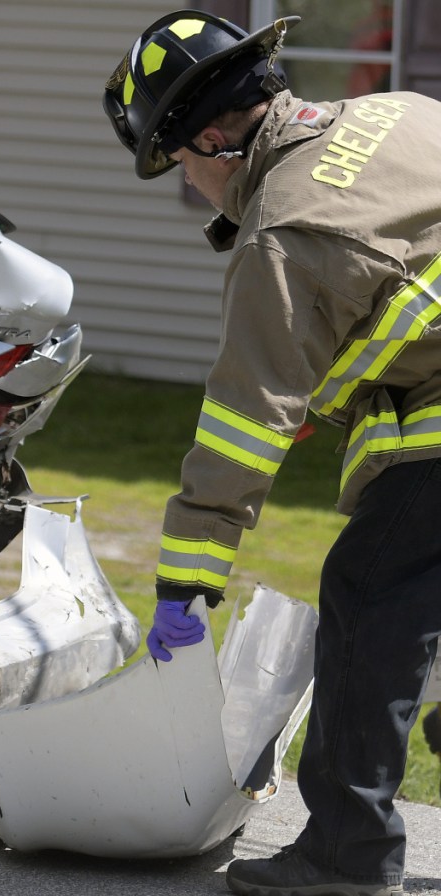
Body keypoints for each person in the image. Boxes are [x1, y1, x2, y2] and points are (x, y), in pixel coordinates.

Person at [103, 10, 441, 896]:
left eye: (179, 165)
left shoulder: (285, 233)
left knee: (369, 599)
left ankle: (345, 858)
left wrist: (184, 588)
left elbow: (243, 429)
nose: (194, 185)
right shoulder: (398, 112)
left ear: (213, 138)